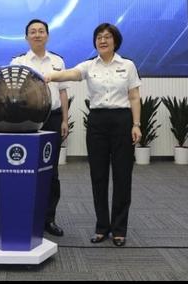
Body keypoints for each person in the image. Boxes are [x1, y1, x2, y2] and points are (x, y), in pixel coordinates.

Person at [45, 23, 141, 247]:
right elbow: (71, 73)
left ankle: (119, 229)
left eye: (107, 37)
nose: (102, 40)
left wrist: (136, 124)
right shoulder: (89, 65)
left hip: (122, 120)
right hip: (97, 121)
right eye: (99, 37)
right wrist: (49, 76)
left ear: (115, 41)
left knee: (122, 176)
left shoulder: (127, 65)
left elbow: (134, 96)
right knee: (98, 176)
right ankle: (102, 227)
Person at [11, 19, 69, 237]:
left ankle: (48, 219)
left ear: (47, 35)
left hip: (53, 119)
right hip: (26, 120)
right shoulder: (18, 61)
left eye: (41, 31)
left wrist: (65, 120)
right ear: (26, 37)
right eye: (33, 32)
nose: (37, 35)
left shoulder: (57, 61)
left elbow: (63, 92)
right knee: (24, 168)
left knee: (50, 171)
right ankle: (24, 216)